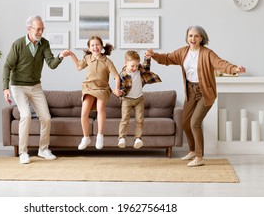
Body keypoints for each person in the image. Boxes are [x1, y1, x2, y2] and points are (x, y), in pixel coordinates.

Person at [146, 25, 246, 167]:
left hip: (205, 92)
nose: (193, 38)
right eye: (190, 36)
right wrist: (154, 55)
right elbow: (167, 58)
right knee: (185, 122)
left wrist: (234, 68)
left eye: (196, 36)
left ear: (202, 38)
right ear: (187, 38)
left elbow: (220, 64)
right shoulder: (183, 52)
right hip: (190, 91)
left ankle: (199, 157)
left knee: (195, 123)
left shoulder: (207, 53)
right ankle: (192, 150)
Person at [3, 15, 71, 164]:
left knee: (46, 117)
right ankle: (23, 152)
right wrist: (5, 88)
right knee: (26, 115)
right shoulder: (18, 44)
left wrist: (60, 56)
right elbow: (7, 66)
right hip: (18, 86)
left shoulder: (44, 44)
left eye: (42, 29)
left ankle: (43, 149)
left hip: (35, 86)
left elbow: (51, 64)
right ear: (29, 29)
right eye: (38, 29)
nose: (40, 32)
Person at [69, 36, 122, 150]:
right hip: (89, 87)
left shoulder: (107, 61)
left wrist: (117, 88)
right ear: (89, 48)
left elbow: (117, 76)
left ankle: (100, 135)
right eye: (92, 45)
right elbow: (79, 66)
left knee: (100, 108)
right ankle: (86, 137)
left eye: (97, 44)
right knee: (84, 113)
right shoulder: (88, 58)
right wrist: (71, 55)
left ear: (102, 46)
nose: (95, 47)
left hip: (102, 89)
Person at [118, 50, 161, 149]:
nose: (135, 68)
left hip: (139, 99)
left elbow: (146, 66)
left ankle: (138, 138)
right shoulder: (122, 75)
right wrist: (120, 92)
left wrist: (147, 57)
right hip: (127, 100)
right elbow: (122, 88)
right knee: (125, 119)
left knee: (140, 119)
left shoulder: (139, 70)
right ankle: (122, 138)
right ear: (126, 63)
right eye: (132, 66)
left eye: (137, 66)